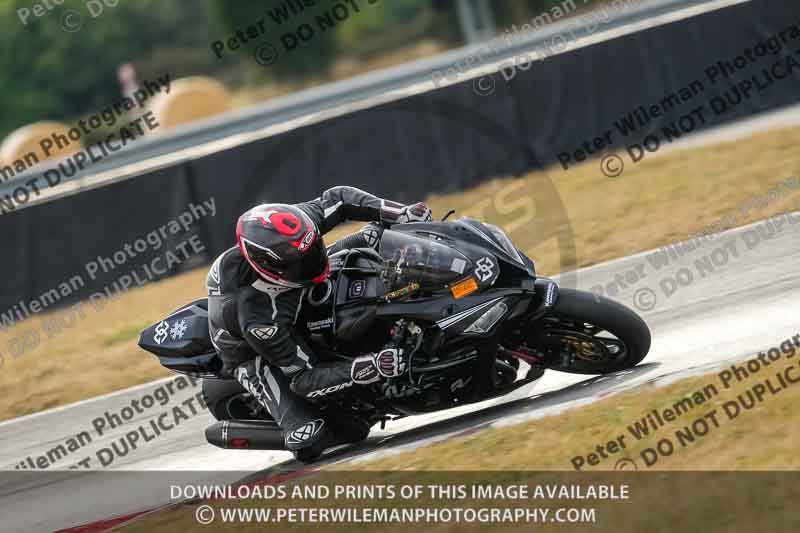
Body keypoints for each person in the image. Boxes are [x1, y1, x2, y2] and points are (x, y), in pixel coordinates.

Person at [206, 186, 432, 456]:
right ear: (270, 267)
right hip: (251, 352)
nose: (313, 261)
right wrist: (370, 366)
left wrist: (400, 213)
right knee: (313, 438)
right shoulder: (258, 317)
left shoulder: (296, 231)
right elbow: (303, 378)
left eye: (313, 248)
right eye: (299, 262)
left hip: (295, 290)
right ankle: (296, 426)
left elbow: (339, 199)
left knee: (375, 235)